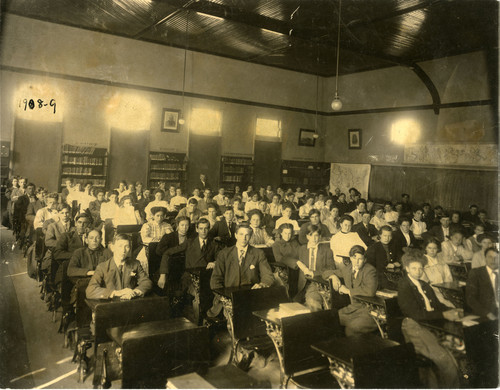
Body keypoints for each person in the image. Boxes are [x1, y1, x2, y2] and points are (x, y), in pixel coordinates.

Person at [397, 249, 462, 388]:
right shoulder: (404, 285)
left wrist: (452, 310)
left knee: (458, 353)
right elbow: (414, 314)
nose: (418, 271)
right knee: (446, 362)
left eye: (420, 268)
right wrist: (444, 315)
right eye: (414, 268)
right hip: (413, 325)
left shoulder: (424, 284)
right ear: (407, 268)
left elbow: (437, 306)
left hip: (431, 324)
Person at [325, 245, 378, 336]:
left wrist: (348, 291)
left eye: (360, 259)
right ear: (350, 258)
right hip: (353, 308)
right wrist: (333, 277)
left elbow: (370, 291)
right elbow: (326, 272)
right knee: (331, 320)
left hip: (368, 311)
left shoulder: (370, 270)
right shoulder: (347, 269)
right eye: (354, 258)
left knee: (351, 328)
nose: (356, 262)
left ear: (364, 260)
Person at [86, 234, 152, 300]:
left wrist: (134, 292)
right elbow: (90, 291)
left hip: (130, 303)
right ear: (112, 248)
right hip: (110, 305)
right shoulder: (102, 267)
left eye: (127, 247)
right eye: (120, 246)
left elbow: (146, 282)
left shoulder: (135, 264)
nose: (123, 250)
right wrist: (116, 293)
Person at [210, 223, 274, 290]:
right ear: (236, 235)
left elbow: (268, 275)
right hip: (229, 294)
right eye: (241, 234)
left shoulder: (258, 253)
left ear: (250, 237)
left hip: (251, 294)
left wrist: (262, 285)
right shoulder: (224, 253)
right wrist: (223, 296)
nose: (244, 238)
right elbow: (216, 280)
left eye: (247, 235)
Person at [295, 224, 335, 311]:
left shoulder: (327, 250)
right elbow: (287, 258)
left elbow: (331, 268)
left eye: (316, 235)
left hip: (318, 282)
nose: (314, 238)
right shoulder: (302, 249)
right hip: (303, 284)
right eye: (311, 235)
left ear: (320, 236)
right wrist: (299, 263)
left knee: (312, 302)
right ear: (307, 236)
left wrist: (314, 273)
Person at [136, 207, 173, 275]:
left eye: (162, 216)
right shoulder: (147, 225)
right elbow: (144, 239)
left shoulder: (167, 225)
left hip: (163, 248)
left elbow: (171, 237)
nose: (160, 218)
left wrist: (168, 233)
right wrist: (159, 240)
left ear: (164, 216)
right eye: (157, 215)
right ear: (153, 216)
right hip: (149, 248)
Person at [157, 216, 191, 289]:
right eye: (182, 225)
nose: (184, 227)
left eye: (187, 225)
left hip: (185, 265)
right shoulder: (169, 236)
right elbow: (159, 251)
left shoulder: (191, 237)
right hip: (171, 265)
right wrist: (174, 252)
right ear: (177, 225)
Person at [421, 238, 454, 307]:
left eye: (435, 248)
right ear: (425, 248)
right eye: (429, 248)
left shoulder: (442, 262)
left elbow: (448, 278)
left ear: (438, 249)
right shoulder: (422, 262)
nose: (432, 251)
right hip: (431, 292)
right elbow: (424, 283)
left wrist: (446, 290)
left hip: (444, 291)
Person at [466, 247, 498, 319]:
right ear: (485, 258)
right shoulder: (476, 273)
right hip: (484, 314)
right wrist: (487, 313)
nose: (493, 260)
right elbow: (470, 299)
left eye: (496, 257)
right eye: (490, 257)